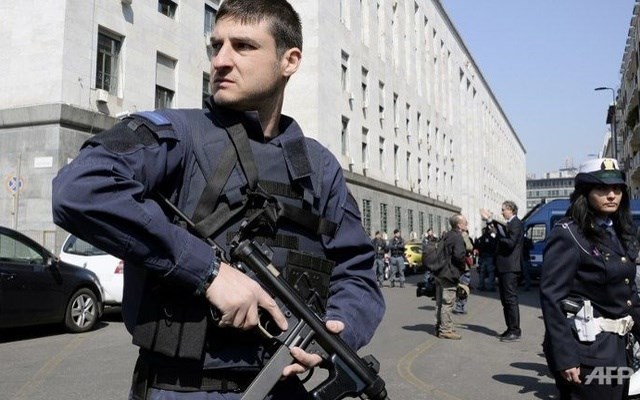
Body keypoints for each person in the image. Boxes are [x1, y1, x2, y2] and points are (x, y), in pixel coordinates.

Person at [51, 1, 385, 399]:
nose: (221, 61)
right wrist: (209, 271)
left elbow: (358, 273)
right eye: (216, 45)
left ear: (289, 60)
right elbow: (79, 188)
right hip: (181, 388)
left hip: (286, 388)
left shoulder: (317, 165)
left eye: (243, 46)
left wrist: (334, 328)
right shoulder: (178, 134)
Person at [540, 158, 640, 400]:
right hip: (587, 352)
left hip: (618, 348)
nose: (611, 195)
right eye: (602, 189)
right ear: (585, 193)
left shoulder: (620, 231)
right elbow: (552, 298)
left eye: (617, 189)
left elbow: (628, 293)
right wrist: (565, 357)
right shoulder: (569, 235)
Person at [481, 200, 524, 342]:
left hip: (510, 267)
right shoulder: (509, 224)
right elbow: (500, 238)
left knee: (510, 299)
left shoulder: (516, 223)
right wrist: (490, 224)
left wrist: (497, 234)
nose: (502, 212)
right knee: (505, 300)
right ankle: (510, 328)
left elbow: (510, 243)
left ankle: (515, 330)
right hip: (504, 266)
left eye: (503, 209)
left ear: (511, 210)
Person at [434, 214, 468, 340]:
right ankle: (446, 330)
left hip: (440, 272)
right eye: (465, 222)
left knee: (439, 303)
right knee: (447, 303)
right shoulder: (457, 237)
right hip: (449, 274)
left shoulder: (446, 235)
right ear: (459, 225)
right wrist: (462, 267)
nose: (467, 224)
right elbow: (459, 255)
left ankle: (439, 326)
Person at [454, 229, 474, 314]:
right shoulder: (463, 236)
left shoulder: (451, 236)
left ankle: (459, 306)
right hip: (463, 266)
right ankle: (459, 307)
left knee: (459, 287)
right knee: (463, 287)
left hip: (455, 267)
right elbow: (469, 247)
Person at [475, 226, 497, 291]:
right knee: (491, 272)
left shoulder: (480, 239)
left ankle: (481, 285)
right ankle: (491, 286)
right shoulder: (491, 238)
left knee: (482, 272)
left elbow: (476, 247)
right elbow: (494, 247)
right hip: (489, 256)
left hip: (482, 256)